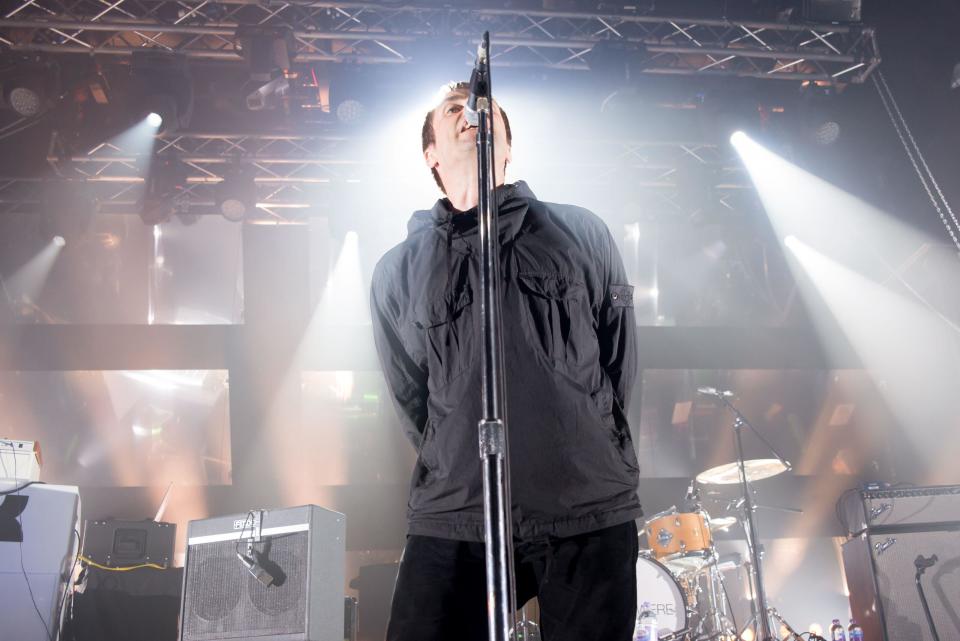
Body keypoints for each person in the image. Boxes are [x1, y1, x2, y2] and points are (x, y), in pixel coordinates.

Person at [370, 81, 642, 641]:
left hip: (586, 506)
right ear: (431, 154)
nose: (470, 110)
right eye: (453, 109)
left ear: (509, 147)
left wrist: (597, 444)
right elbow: (410, 397)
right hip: (457, 514)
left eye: (483, 106)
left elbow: (618, 362)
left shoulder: (581, 234)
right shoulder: (398, 270)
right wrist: (453, 458)